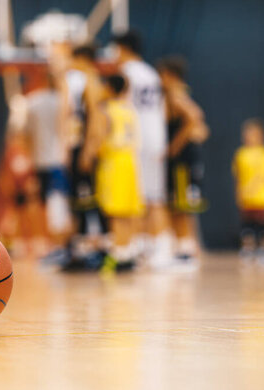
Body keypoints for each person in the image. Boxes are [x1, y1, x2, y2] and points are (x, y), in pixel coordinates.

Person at [111, 31, 173, 268]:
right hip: (156, 137)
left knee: (146, 197)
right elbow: (162, 108)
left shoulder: (126, 73)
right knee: (152, 195)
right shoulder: (151, 73)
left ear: (123, 48)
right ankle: (152, 245)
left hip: (136, 139)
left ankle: (162, 246)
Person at [59, 44, 109, 271]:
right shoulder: (82, 81)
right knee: (80, 201)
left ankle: (100, 250)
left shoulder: (91, 81)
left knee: (91, 200)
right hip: (79, 146)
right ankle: (80, 249)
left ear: (82, 58)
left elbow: (98, 120)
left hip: (87, 149)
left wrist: (88, 150)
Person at [157, 56, 209, 267]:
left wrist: (174, 147)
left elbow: (195, 117)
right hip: (183, 159)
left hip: (182, 160)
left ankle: (186, 250)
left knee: (181, 205)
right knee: (176, 204)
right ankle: (182, 248)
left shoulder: (175, 93)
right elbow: (201, 129)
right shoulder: (179, 92)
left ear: (169, 75)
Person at [93, 75, 144, 272]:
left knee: (114, 211)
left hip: (113, 161)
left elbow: (99, 137)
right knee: (128, 210)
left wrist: (92, 154)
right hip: (130, 160)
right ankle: (128, 249)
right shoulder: (129, 109)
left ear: (109, 87)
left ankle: (119, 252)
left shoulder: (106, 111)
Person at [24, 73, 72, 258]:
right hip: (58, 159)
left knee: (43, 203)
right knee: (58, 203)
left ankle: (46, 243)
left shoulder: (32, 101)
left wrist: (30, 154)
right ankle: (58, 245)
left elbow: (25, 133)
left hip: (39, 158)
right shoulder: (63, 102)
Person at [232, 118, 264, 264]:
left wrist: (252, 188)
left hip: (263, 197)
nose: (248, 136)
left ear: (261, 136)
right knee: (247, 226)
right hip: (246, 198)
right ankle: (248, 248)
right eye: (246, 133)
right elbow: (237, 176)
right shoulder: (241, 154)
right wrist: (239, 192)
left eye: (252, 133)